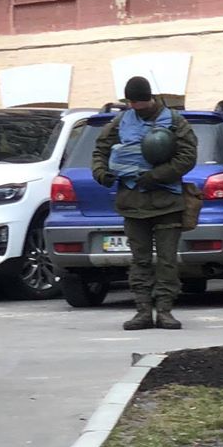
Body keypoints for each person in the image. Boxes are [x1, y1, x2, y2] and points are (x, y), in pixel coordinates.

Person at [91, 75, 199, 331]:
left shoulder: (175, 121)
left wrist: (156, 176)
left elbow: (188, 156)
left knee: (167, 260)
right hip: (132, 202)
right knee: (139, 260)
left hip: (167, 202)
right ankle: (142, 311)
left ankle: (165, 311)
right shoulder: (121, 121)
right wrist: (101, 173)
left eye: (139, 102)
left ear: (150, 98)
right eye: (131, 103)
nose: (135, 107)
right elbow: (100, 150)